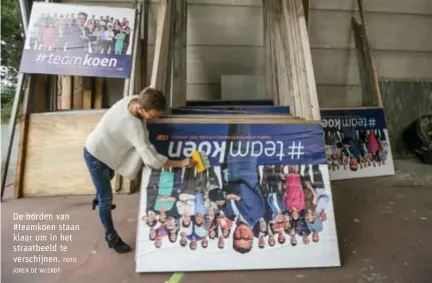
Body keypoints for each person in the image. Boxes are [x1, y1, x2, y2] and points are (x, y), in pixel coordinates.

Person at [83, 87, 194, 254]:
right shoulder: (133, 126)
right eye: (153, 115)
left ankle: (99, 196)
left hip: (107, 150)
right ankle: (111, 238)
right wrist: (181, 163)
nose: (155, 118)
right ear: (141, 109)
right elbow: (153, 161)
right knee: (106, 199)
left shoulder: (133, 99)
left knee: (108, 179)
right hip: (95, 155)